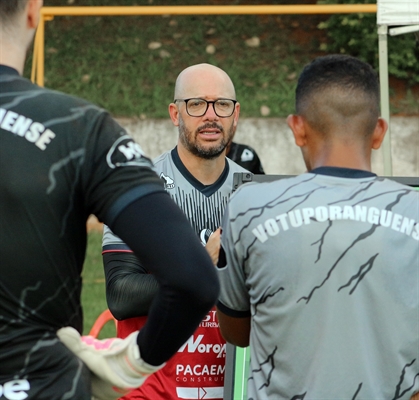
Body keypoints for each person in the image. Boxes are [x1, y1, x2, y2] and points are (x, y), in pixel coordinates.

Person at [0, 1, 219, 399]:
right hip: (37, 384)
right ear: (34, 10)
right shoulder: (75, 127)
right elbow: (193, 279)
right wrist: (131, 364)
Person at [216, 54, 419, 399]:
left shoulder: (248, 208)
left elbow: (236, 331)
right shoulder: (413, 213)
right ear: (379, 132)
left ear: (297, 127)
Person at [102, 63, 249, 400]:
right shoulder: (137, 189)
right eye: (197, 104)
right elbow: (120, 296)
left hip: (233, 386)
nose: (211, 116)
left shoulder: (256, 194)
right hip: (152, 389)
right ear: (175, 113)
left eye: (222, 105)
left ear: (235, 114)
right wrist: (202, 265)